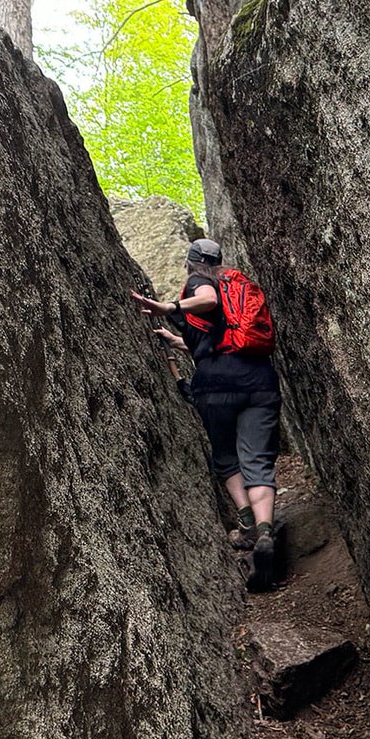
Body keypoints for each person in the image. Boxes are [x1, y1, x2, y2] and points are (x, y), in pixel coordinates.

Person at [130, 238, 281, 592]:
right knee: (257, 460)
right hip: (258, 381)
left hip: (216, 389)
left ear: (190, 263)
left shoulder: (202, 282)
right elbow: (217, 337)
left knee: (227, 458)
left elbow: (208, 300)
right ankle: (265, 532)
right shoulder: (236, 287)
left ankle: (247, 524)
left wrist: (168, 307)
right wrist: (176, 339)